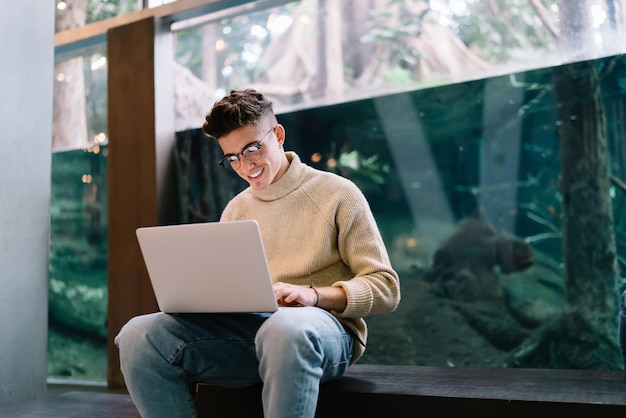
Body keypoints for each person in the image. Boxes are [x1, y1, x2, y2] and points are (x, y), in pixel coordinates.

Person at [115, 88, 401, 418]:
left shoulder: (337, 193)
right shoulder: (236, 210)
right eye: (232, 158)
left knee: (284, 329)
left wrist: (313, 296)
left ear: (278, 135)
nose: (245, 165)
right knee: (139, 335)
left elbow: (386, 288)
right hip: (250, 336)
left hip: (322, 334)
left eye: (252, 149)